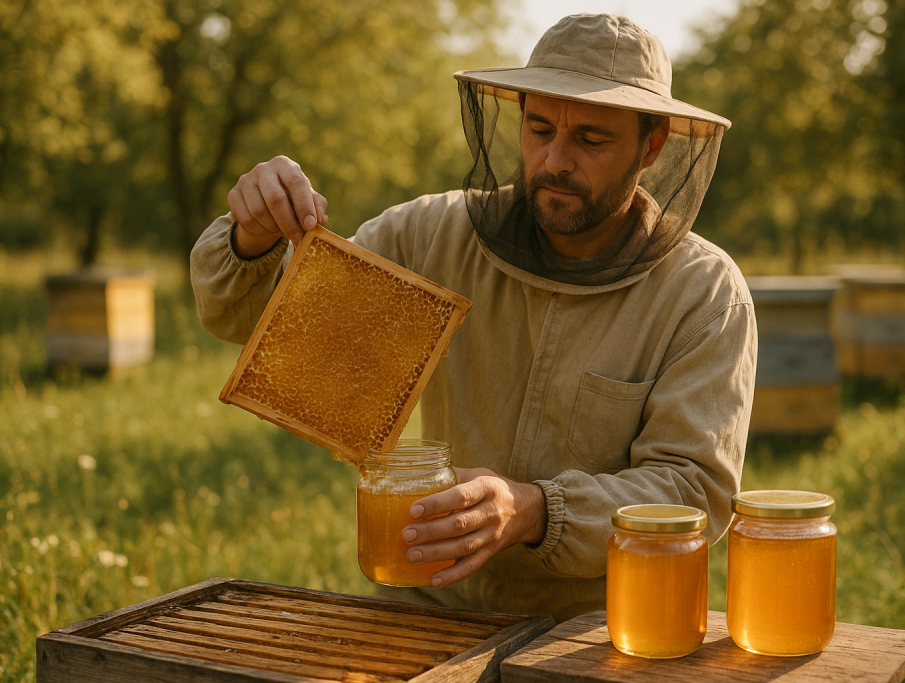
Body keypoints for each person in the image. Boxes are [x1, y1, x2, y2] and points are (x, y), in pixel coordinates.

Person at [191, 13, 757, 622]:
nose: (555, 160)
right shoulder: (426, 236)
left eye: (591, 140)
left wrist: (534, 508)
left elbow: (692, 491)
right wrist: (252, 238)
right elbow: (261, 322)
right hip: (428, 605)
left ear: (652, 146)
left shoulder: (703, 293)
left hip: (601, 627)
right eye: (539, 128)